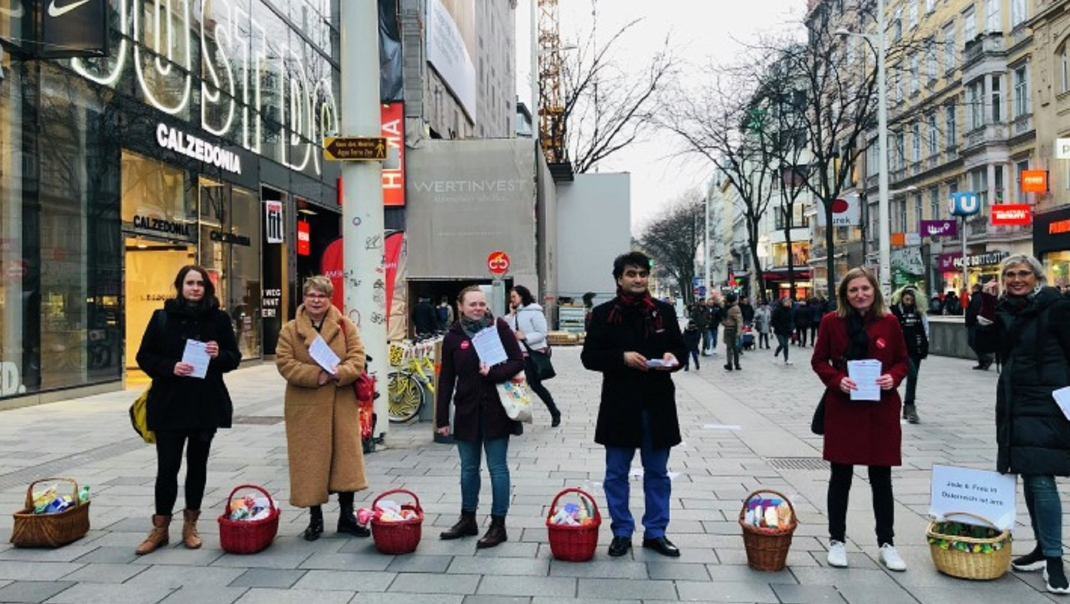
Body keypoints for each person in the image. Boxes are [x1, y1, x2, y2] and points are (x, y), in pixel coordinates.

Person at [581, 251, 687, 558]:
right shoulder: (603, 314)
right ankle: (622, 532)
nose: (638, 279)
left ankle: (656, 532)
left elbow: (679, 349)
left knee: (658, 473)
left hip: (657, 404)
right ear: (619, 279)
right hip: (620, 405)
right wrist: (621, 358)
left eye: (642, 273)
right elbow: (589, 357)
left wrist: (672, 359)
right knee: (616, 473)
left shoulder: (664, 312)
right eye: (631, 273)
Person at [974, 255, 1070, 594]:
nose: (1016, 279)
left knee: (1041, 477)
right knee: (1030, 472)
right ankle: (1044, 549)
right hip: (1015, 400)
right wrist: (985, 306)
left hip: (1048, 400)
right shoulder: (1003, 308)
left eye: (1023, 274)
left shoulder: (1055, 306)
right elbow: (982, 348)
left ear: (1037, 276)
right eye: (1010, 274)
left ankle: (1056, 561)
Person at [134, 265, 242, 555]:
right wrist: (170, 367)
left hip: (204, 404)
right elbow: (143, 355)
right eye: (190, 283)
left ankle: (190, 524)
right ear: (180, 286)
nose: (195, 288)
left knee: (197, 465)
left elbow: (234, 358)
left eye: (200, 284)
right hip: (169, 403)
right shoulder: (162, 317)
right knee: (167, 467)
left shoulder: (218, 319)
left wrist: (220, 355)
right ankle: (160, 529)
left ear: (207, 288)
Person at [811, 268, 910, 571]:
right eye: (853, 290)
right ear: (845, 294)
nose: (860, 295)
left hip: (880, 409)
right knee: (840, 476)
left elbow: (902, 361)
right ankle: (837, 540)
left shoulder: (890, 322)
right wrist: (836, 379)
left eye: (865, 289)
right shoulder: (832, 322)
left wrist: (893, 378)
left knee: (882, 478)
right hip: (844, 407)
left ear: (875, 290)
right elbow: (818, 360)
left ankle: (887, 542)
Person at [276, 276, 369, 541]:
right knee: (310, 463)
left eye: (322, 296)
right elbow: (285, 363)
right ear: (304, 298)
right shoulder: (290, 330)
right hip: (305, 407)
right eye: (311, 295)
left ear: (330, 299)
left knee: (345, 461)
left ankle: (347, 517)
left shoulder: (344, 326)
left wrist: (340, 372)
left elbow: (358, 356)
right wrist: (318, 375)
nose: (316, 300)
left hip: (341, 403)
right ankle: (314, 519)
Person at [436, 286, 526, 548]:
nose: (478, 309)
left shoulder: (498, 327)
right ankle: (468, 518)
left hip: (496, 409)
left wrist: (494, 373)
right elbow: (446, 379)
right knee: (468, 468)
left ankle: (499, 524)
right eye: (472, 304)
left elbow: (518, 361)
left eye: (482, 304)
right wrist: (442, 417)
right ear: (461, 306)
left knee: (497, 467)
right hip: (466, 410)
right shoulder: (453, 336)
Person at [508, 285, 561, 427]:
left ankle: (554, 411)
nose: (511, 299)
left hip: (532, 354)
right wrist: (511, 314)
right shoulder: (515, 313)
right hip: (518, 355)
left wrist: (525, 337)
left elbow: (542, 332)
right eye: (511, 296)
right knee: (515, 385)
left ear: (522, 296)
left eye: (514, 296)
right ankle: (516, 419)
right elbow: (507, 329)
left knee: (535, 385)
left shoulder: (534, 312)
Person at [890, 287, 929, 424]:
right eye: (907, 299)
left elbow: (925, 329)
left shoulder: (919, 313)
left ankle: (909, 406)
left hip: (916, 348)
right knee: (910, 374)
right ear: (901, 298)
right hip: (900, 349)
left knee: (913, 378)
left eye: (912, 300)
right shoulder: (893, 311)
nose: (909, 302)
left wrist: (924, 346)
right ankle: (907, 406)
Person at [965, 283, 994, 371]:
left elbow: (974, 311)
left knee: (974, 342)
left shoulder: (977, 298)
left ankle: (985, 359)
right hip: (975, 323)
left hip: (975, 324)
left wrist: (972, 320)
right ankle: (982, 361)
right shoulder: (977, 297)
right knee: (975, 343)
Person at [722, 293, 743, 371]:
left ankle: (736, 363)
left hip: (733, 329)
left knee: (734, 348)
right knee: (729, 347)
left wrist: (739, 331)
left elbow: (739, 320)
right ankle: (730, 363)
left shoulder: (735, 308)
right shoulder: (727, 307)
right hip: (728, 329)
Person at [771, 296, 794, 365]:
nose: (788, 303)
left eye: (789, 302)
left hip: (786, 330)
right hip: (779, 330)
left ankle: (786, 359)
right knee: (782, 344)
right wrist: (777, 327)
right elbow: (774, 320)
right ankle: (776, 355)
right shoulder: (777, 310)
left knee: (786, 345)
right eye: (787, 302)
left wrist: (791, 328)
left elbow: (791, 320)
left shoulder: (789, 310)